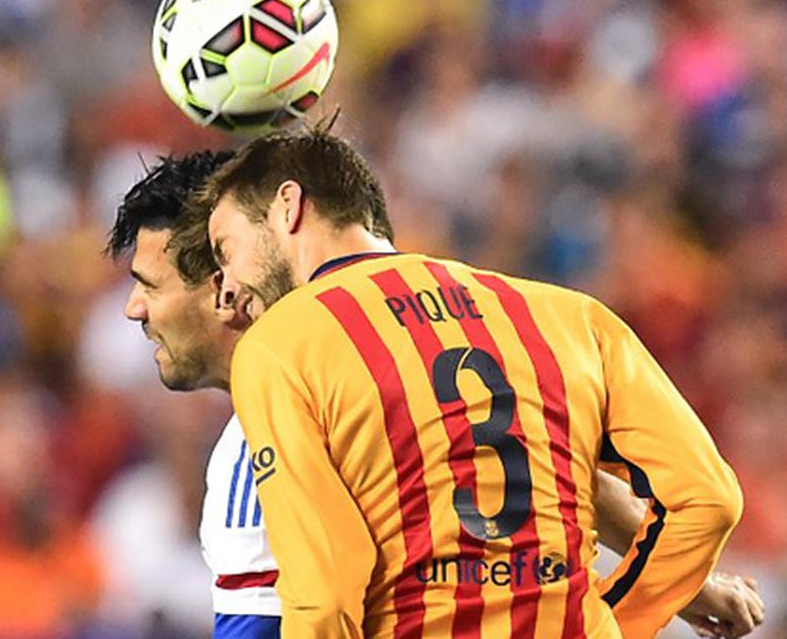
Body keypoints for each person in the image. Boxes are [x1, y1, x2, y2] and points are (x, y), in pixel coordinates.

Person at [112, 150, 763, 638]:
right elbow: (701, 498)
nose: (227, 286)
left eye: (226, 251)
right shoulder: (558, 316)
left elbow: (326, 593)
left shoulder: (283, 351)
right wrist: (620, 615)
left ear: (287, 207)